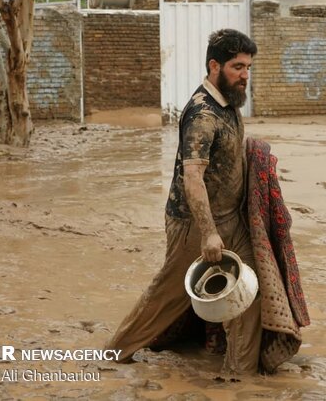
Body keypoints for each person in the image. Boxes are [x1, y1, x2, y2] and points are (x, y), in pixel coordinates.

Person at [106, 28, 263, 374]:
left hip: (231, 219)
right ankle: (114, 354)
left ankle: (240, 375)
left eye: (248, 67)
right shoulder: (203, 115)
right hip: (194, 223)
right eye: (237, 67)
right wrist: (208, 232)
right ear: (214, 66)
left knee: (248, 293)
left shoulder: (229, 103)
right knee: (167, 297)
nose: (244, 75)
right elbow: (192, 178)